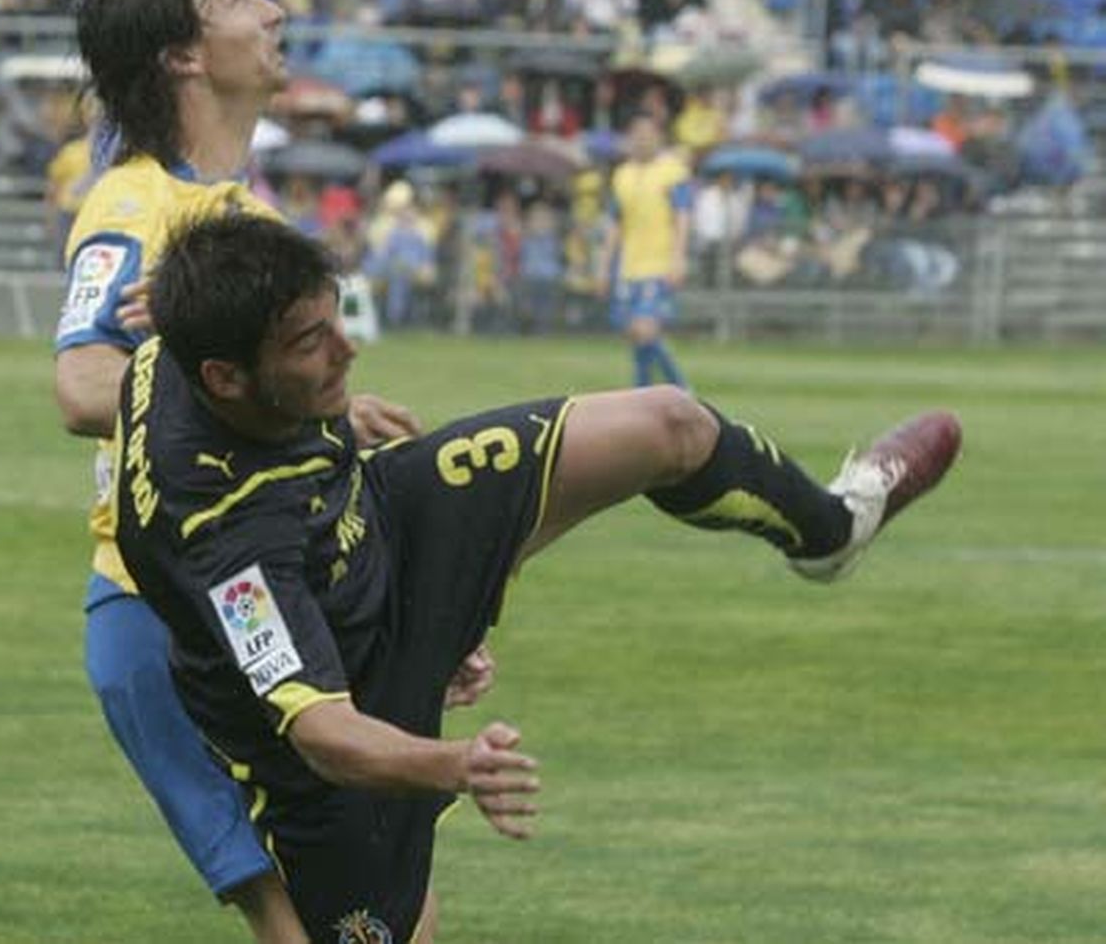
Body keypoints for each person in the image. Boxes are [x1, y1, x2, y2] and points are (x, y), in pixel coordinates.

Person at [115, 211, 963, 943]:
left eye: (338, 318)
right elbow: (324, 738)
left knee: (668, 423)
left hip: (387, 517)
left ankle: (830, 531)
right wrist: (457, 764)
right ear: (224, 377)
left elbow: (140, 351)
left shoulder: (168, 347)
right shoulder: (231, 543)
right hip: (353, 712)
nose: (349, 347)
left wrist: (335, 406)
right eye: (312, 344)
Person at [55, 0, 432, 941]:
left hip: (266, 593)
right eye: (233, 0)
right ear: (182, 57)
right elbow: (82, 385)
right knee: (319, 920)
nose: (272, 9)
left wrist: (333, 416)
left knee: (384, 904)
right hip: (170, 619)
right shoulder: (135, 207)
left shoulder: (252, 221)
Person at [596, 113, 693, 389]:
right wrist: (604, 267)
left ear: (659, 137)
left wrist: (678, 258)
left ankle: (681, 390)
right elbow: (615, 224)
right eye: (637, 135)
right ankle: (643, 395)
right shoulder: (622, 174)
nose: (642, 140)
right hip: (628, 267)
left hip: (659, 264)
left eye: (648, 134)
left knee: (645, 330)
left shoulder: (673, 171)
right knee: (633, 335)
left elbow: (682, 216)